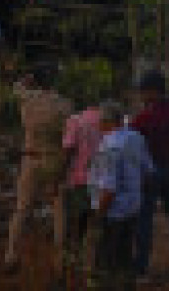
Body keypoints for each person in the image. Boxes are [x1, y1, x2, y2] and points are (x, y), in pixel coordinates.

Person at [5, 66, 73, 271]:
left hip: (30, 158)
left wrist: (27, 78)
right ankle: (59, 261)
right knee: (59, 211)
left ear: (37, 81)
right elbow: (69, 137)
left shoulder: (27, 98)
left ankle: (10, 255)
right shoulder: (65, 105)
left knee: (22, 208)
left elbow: (15, 86)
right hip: (54, 159)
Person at [88, 100, 154, 290]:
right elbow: (148, 171)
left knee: (106, 261)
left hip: (113, 212)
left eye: (100, 120)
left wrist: (99, 214)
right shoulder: (136, 138)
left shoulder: (109, 147)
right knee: (125, 256)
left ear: (108, 122)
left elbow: (109, 188)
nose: (98, 124)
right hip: (132, 207)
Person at [131, 70, 169, 276]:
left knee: (145, 220)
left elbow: (132, 136)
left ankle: (141, 268)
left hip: (151, 172)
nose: (142, 96)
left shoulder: (144, 117)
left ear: (153, 91)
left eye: (144, 92)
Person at [60, 98, 104, 284]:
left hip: (79, 182)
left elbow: (68, 150)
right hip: (101, 184)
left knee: (75, 229)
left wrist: (60, 176)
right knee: (94, 228)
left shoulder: (75, 121)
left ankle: (71, 273)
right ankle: (90, 273)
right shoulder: (109, 123)